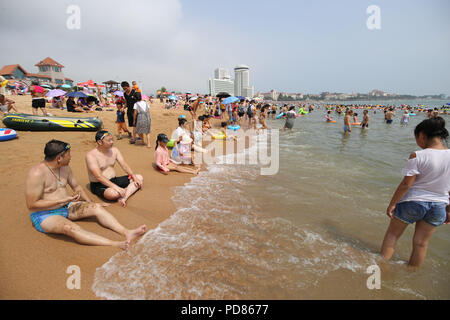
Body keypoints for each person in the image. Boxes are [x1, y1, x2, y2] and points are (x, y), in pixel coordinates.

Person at [25, 139, 146, 250]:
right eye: (68, 155)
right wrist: (60, 201)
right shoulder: (36, 174)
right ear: (59, 158)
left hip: (66, 206)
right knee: (71, 228)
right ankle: (114, 244)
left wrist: (90, 202)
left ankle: (126, 232)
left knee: (96, 208)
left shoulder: (65, 168)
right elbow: (32, 204)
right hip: (45, 215)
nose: (71, 157)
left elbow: (77, 187)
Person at [380, 117, 450, 268]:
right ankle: (410, 275)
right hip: (439, 205)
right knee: (421, 244)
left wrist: (392, 204)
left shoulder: (418, 155)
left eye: (417, 138)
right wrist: (448, 209)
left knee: (392, 235)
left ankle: (380, 268)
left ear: (422, 135)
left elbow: (406, 184)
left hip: (413, 202)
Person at [85, 130, 144, 207]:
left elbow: (124, 165)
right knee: (113, 194)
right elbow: (98, 176)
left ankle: (124, 198)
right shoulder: (91, 155)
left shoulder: (114, 150)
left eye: (112, 139)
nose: (112, 142)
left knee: (139, 177)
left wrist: (134, 177)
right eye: (109, 140)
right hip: (99, 184)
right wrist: (117, 188)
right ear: (100, 142)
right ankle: (124, 191)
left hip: (114, 180)